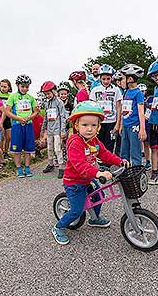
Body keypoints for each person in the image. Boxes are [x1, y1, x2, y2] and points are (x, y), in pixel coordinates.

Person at [51, 101, 128, 245]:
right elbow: (80, 165)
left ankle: (94, 218)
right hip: (74, 182)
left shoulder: (94, 141)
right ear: (76, 125)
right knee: (76, 211)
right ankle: (58, 227)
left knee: (100, 195)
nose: (89, 129)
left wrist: (119, 161)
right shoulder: (75, 143)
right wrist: (98, 173)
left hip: (87, 179)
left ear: (99, 126)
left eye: (94, 125)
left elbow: (105, 154)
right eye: (85, 125)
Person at [5, 74, 38, 178]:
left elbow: (36, 111)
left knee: (28, 149)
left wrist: (30, 117)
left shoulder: (31, 98)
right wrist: (18, 118)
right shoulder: (13, 97)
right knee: (17, 149)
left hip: (28, 125)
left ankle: (27, 167)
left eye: (27, 86)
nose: (25, 88)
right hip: (17, 126)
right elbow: (7, 112)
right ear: (17, 85)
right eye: (22, 86)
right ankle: (19, 168)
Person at [89, 64, 123, 156]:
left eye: (108, 78)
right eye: (103, 79)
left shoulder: (116, 90)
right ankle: (99, 161)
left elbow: (119, 107)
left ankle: (107, 163)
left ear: (111, 78)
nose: (106, 81)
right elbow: (92, 107)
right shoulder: (95, 90)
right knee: (98, 143)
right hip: (99, 122)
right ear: (100, 78)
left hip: (111, 121)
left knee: (110, 143)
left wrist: (118, 123)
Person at [120, 64, 147, 166]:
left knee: (135, 152)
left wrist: (142, 129)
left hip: (134, 126)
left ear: (130, 78)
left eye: (123, 78)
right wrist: (122, 125)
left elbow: (141, 112)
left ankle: (136, 173)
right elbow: (124, 110)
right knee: (124, 152)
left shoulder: (138, 93)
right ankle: (125, 172)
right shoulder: (126, 92)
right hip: (126, 126)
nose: (121, 80)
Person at [40, 81, 66, 179]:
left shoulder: (59, 102)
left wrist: (63, 130)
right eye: (45, 94)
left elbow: (63, 116)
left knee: (57, 149)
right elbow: (45, 118)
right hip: (50, 130)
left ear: (54, 91)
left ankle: (61, 167)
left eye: (49, 93)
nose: (47, 96)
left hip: (58, 130)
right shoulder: (46, 104)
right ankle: (50, 164)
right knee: (49, 148)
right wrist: (43, 131)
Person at [137, 83, 153, 170]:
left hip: (147, 124)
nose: (142, 93)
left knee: (147, 144)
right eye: (141, 91)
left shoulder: (149, 100)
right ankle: (138, 162)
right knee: (138, 143)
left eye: (143, 91)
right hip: (137, 124)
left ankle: (148, 161)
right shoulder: (137, 100)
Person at [0, 79, 12, 160]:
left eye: (5, 87)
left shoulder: (10, 96)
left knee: (9, 137)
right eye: (1, 86)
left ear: (9, 88)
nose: (3, 88)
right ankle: (1, 153)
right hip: (0, 118)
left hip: (8, 118)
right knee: (1, 137)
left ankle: (6, 152)